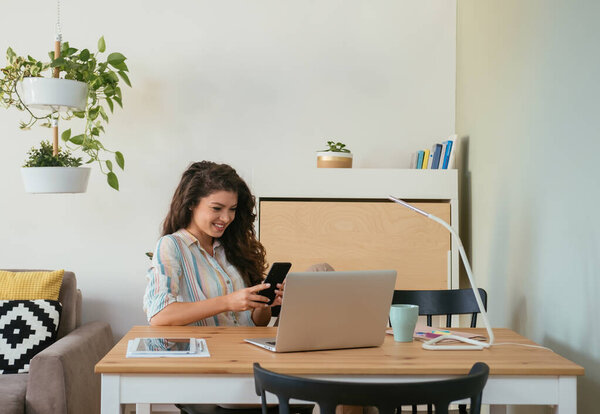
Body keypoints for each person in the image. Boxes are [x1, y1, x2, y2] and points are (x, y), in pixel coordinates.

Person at [143, 161, 280, 327]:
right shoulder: (172, 246)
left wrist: (264, 303)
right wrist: (227, 302)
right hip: (208, 349)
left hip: (242, 349)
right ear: (191, 204)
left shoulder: (232, 246)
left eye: (232, 209)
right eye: (217, 208)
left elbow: (258, 323)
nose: (227, 218)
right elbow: (159, 315)